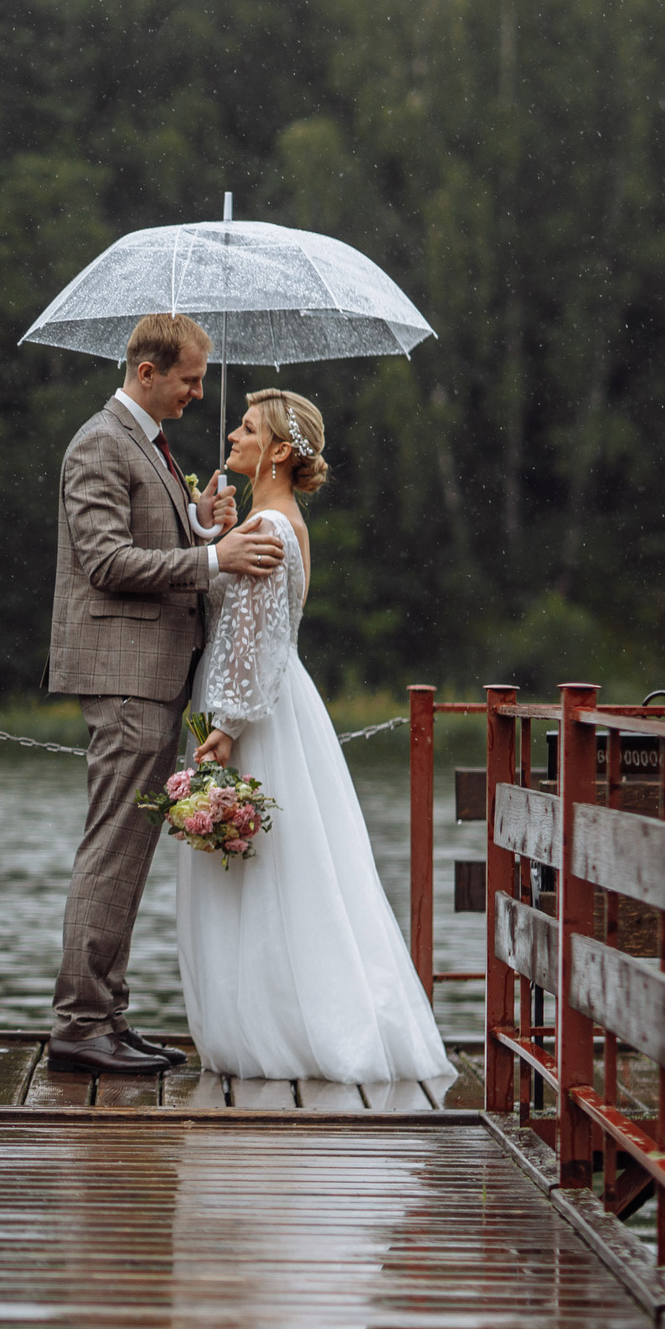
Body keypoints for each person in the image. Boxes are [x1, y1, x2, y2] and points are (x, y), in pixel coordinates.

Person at [175, 388, 448, 1084]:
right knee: (293, 867)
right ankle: (284, 1011)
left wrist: (227, 727)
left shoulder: (269, 528)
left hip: (254, 712)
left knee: (268, 871)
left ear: (279, 451)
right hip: (279, 704)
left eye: (246, 427)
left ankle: (283, 1027)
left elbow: (254, 640)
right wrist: (213, 536)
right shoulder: (273, 521)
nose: (232, 435)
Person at [45, 313, 284, 1075]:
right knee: (112, 850)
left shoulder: (146, 445)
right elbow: (107, 562)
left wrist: (196, 522)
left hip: (152, 678)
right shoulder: (98, 443)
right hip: (125, 677)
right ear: (146, 373)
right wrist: (212, 557)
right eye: (189, 378)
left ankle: (106, 1014)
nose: (198, 392)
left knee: (128, 850)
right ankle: (81, 1023)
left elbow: (149, 543)